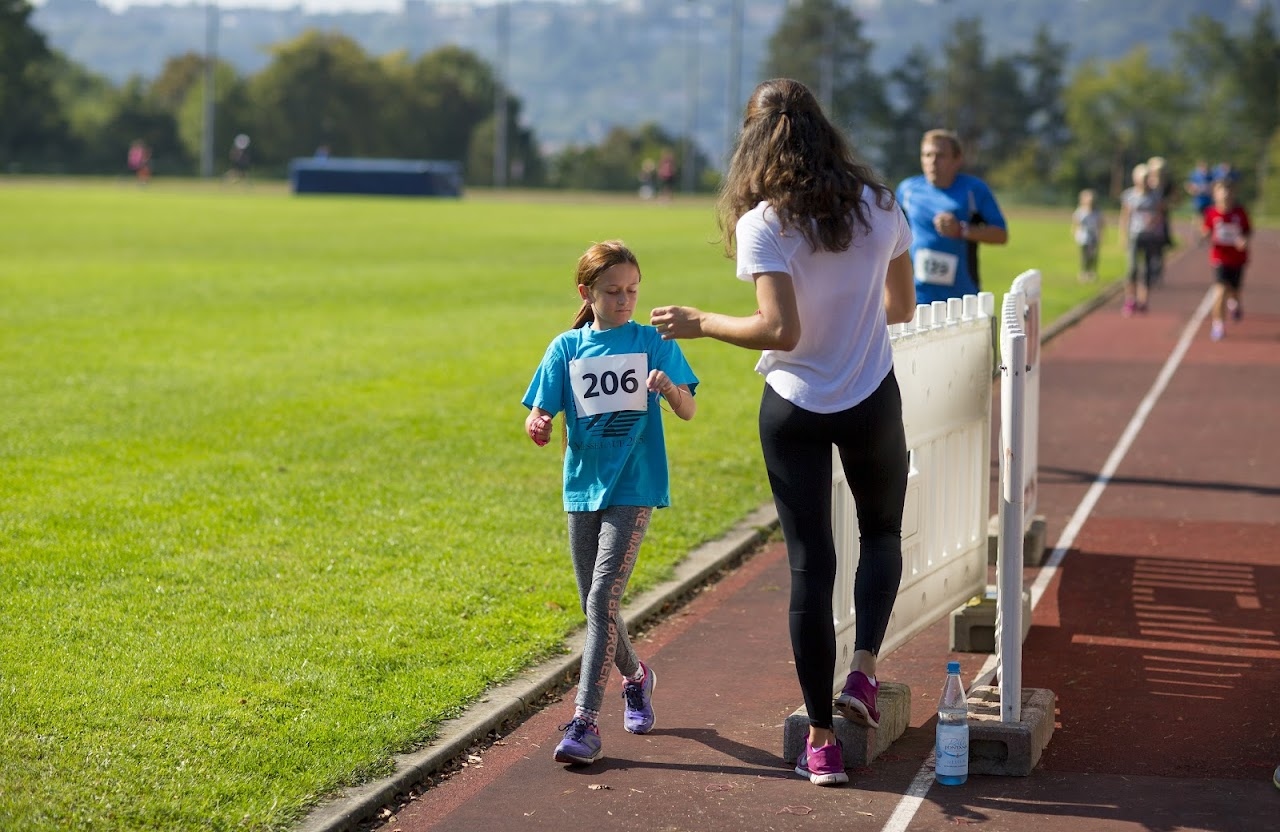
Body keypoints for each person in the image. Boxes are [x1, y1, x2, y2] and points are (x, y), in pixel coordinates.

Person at [650, 78, 917, 788]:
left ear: (755, 144)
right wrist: (850, 320)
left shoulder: (765, 221)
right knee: (882, 534)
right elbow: (901, 306)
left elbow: (780, 330)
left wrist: (701, 322)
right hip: (869, 399)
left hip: (795, 405)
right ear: (825, 131)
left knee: (811, 565)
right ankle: (861, 676)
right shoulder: (883, 204)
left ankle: (821, 742)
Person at [522, 240, 698, 766]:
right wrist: (538, 421)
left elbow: (688, 410)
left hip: (634, 486)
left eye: (632, 291)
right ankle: (638, 677)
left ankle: (584, 723)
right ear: (587, 293)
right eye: (613, 292)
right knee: (594, 605)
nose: (625, 301)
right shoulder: (567, 348)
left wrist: (668, 389)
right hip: (582, 487)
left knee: (601, 601)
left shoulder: (652, 342)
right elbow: (540, 408)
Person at [895, 128, 1008, 304]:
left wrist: (961, 230)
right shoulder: (907, 190)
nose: (932, 162)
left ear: (957, 160)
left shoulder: (974, 190)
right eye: (927, 155)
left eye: (940, 155)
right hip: (917, 298)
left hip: (963, 298)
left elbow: (1001, 235)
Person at [1200, 177, 1251, 341]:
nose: (1226, 195)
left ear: (1233, 194)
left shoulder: (1240, 212)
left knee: (1234, 291)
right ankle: (1218, 325)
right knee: (1220, 290)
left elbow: (1248, 231)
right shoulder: (1211, 213)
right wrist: (1206, 235)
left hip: (1238, 258)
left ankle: (1235, 304)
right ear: (1215, 195)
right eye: (1222, 192)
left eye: (1228, 192)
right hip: (1219, 257)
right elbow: (1205, 232)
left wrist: (1243, 240)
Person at [1117, 162, 1165, 316]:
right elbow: (1125, 216)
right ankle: (1130, 300)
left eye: (1146, 177)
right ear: (1135, 179)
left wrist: (1154, 220)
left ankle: (1143, 301)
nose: (1144, 181)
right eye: (1141, 178)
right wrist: (1123, 235)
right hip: (1134, 235)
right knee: (1132, 269)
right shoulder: (1129, 195)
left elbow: (1160, 214)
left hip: (1150, 236)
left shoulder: (1155, 195)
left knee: (1147, 270)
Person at [1071, 188, 1103, 283]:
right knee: (1084, 256)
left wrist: (1101, 235)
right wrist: (1075, 233)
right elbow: (1075, 223)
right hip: (1084, 237)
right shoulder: (1080, 211)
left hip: (1094, 237)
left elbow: (1101, 224)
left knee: (1093, 256)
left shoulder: (1097, 212)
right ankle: (1083, 272)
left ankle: (1092, 272)